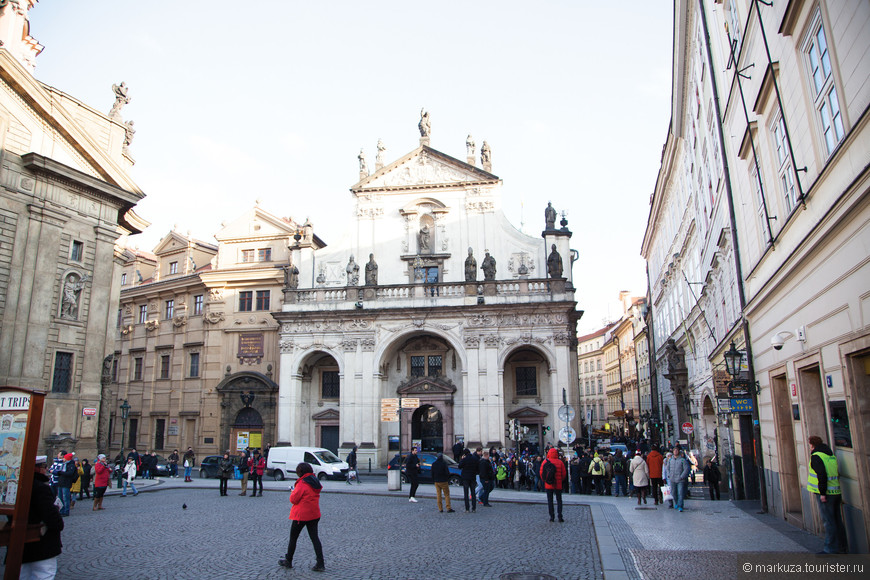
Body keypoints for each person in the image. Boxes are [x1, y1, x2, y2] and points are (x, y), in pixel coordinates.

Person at [20, 455, 64, 579]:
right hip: (42, 544)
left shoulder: (17, 485)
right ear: (37, 469)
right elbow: (52, 519)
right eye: (44, 467)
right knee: (44, 575)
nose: (45, 470)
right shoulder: (41, 488)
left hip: (20, 543)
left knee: (23, 575)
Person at [279, 462, 325, 572]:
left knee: (293, 538)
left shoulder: (302, 483)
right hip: (314, 514)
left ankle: (288, 561)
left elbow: (293, 500)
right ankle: (320, 563)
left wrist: (293, 492)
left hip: (301, 515)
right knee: (315, 539)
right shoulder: (315, 481)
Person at [808, 435, 848, 554]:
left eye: (809, 445)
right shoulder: (830, 455)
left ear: (812, 445)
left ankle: (830, 548)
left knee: (828, 521)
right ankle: (841, 546)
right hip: (836, 492)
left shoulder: (816, 457)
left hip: (826, 493)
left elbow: (822, 475)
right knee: (837, 520)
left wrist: (822, 493)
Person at [541, 447, 566, 522]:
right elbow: (564, 474)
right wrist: (560, 480)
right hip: (558, 484)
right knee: (559, 500)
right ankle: (560, 516)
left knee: (550, 501)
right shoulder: (560, 462)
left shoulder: (545, 462)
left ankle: (552, 516)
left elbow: (542, 473)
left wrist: (545, 481)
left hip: (548, 484)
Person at [668, 447, 690, 512]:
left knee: (680, 493)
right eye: (674, 450)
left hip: (680, 479)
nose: (675, 452)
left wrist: (682, 476)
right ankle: (677, 502)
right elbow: (667, 468)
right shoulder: (670, 460)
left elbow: (686, 469)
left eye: (676, 450)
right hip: (672, 479)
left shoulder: (682, 460)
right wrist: (669, 475)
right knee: (673, 493)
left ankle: (680, 505)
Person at [458, 448, 479, 512]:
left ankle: (467, 508)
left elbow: (459, 466)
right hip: (472, 477)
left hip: (465, 478)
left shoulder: (464, 459)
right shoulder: (475, 459)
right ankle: (474, 508)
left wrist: (462, 459)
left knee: (466, 493)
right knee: (473, 493)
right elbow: (478, 468)